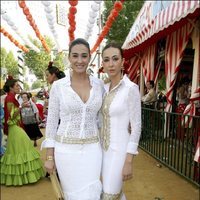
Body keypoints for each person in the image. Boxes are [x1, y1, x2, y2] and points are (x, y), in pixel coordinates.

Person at [42, 38, 104, 199]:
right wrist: (50, 157)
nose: (79, 60)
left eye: (84, 56)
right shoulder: (58, 87)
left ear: (89, 58)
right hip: (66, 151)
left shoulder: (99, 86)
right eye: (75, 56)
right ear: (69, 58)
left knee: (93, 193)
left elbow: (103, 118)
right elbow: (52, 122)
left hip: (93, 150)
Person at [100, 42, 141, 199]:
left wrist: (129, 161)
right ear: (102, 63)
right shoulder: (102, 89)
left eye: (115, 59)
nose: (111, 64)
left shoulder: (131, 89)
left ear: (122, 61)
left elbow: (136, 127)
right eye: (106, 60)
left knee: (110, 194)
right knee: (109, 192)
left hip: (119, 152)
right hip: (101, 151)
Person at [0, 76, 45, 186]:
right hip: (14, 127)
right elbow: (10, 117)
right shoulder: (10, 98)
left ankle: (21, 176)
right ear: (11, 88)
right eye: (16, 85)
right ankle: (23, 176)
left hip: (15, 127)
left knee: (17, 151)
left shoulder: (11, 97)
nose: (19, 87)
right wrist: (21, 107)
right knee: (22, 149)